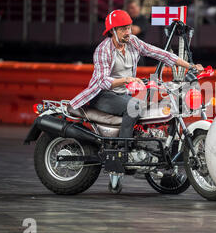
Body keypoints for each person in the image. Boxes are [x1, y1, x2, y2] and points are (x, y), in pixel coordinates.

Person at [69, 10, 203, 140]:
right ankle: (123, 148)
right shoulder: (103, 50)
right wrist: (127, 80)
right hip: (103, 95)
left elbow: (161, 54)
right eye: (123, 29)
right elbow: (102, 81)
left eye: (129, 28)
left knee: (152, 106)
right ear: (112, 31)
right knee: (135, 106)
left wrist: (190, 66)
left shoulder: (133, 41)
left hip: (123, 94)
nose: (128, 32)